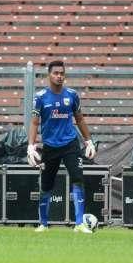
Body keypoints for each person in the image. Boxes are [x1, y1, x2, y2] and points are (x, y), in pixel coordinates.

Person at [27, 60, 97, 233]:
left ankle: (79, 223)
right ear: (49, 75)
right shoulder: (40, 97)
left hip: (70, 144)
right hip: (50, 146)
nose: (59, 76)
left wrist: (88, 141)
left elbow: (79, 119)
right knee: (46, 185)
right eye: (56, 73)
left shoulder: (72, 95)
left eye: (62, 73)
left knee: (78, 179)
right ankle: (43, 224)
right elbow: (35, 122)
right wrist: (31, 145)